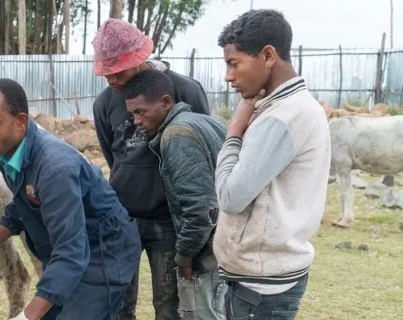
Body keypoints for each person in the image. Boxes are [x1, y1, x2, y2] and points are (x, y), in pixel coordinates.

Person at [0, 78, 142, 320]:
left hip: (102, 252)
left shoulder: (54, 168)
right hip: (71, 252)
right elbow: (23, 204)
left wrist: (27, 316)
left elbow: (71, 252)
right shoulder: (7, 153)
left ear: (20, 122)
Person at [90, 18, 212, 320]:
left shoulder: (185, 90)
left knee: (169, 306)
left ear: (138, 59)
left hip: (168, 221)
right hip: (122, 219)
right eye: (106, 74)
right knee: (118, 303)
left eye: (117, 71)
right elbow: (113, 157)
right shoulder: (104, 102)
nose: (111, 80)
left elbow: (203, 150)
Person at [214, 9, 330, 320]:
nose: (228, 76)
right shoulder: (293, 107)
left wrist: (233, 134)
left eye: (233, 63)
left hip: (260, 291)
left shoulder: (282, 117)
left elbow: (230, 197)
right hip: (266, 279)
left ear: (268, 56)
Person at [120, 69, 228, 320]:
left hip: (207, 255)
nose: (136, 121)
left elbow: (200, 209)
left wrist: (185, 258)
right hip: (225, 244)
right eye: (132, 114)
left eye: (139, 112)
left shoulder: (176, 136)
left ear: (166, 102)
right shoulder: (207, 122)